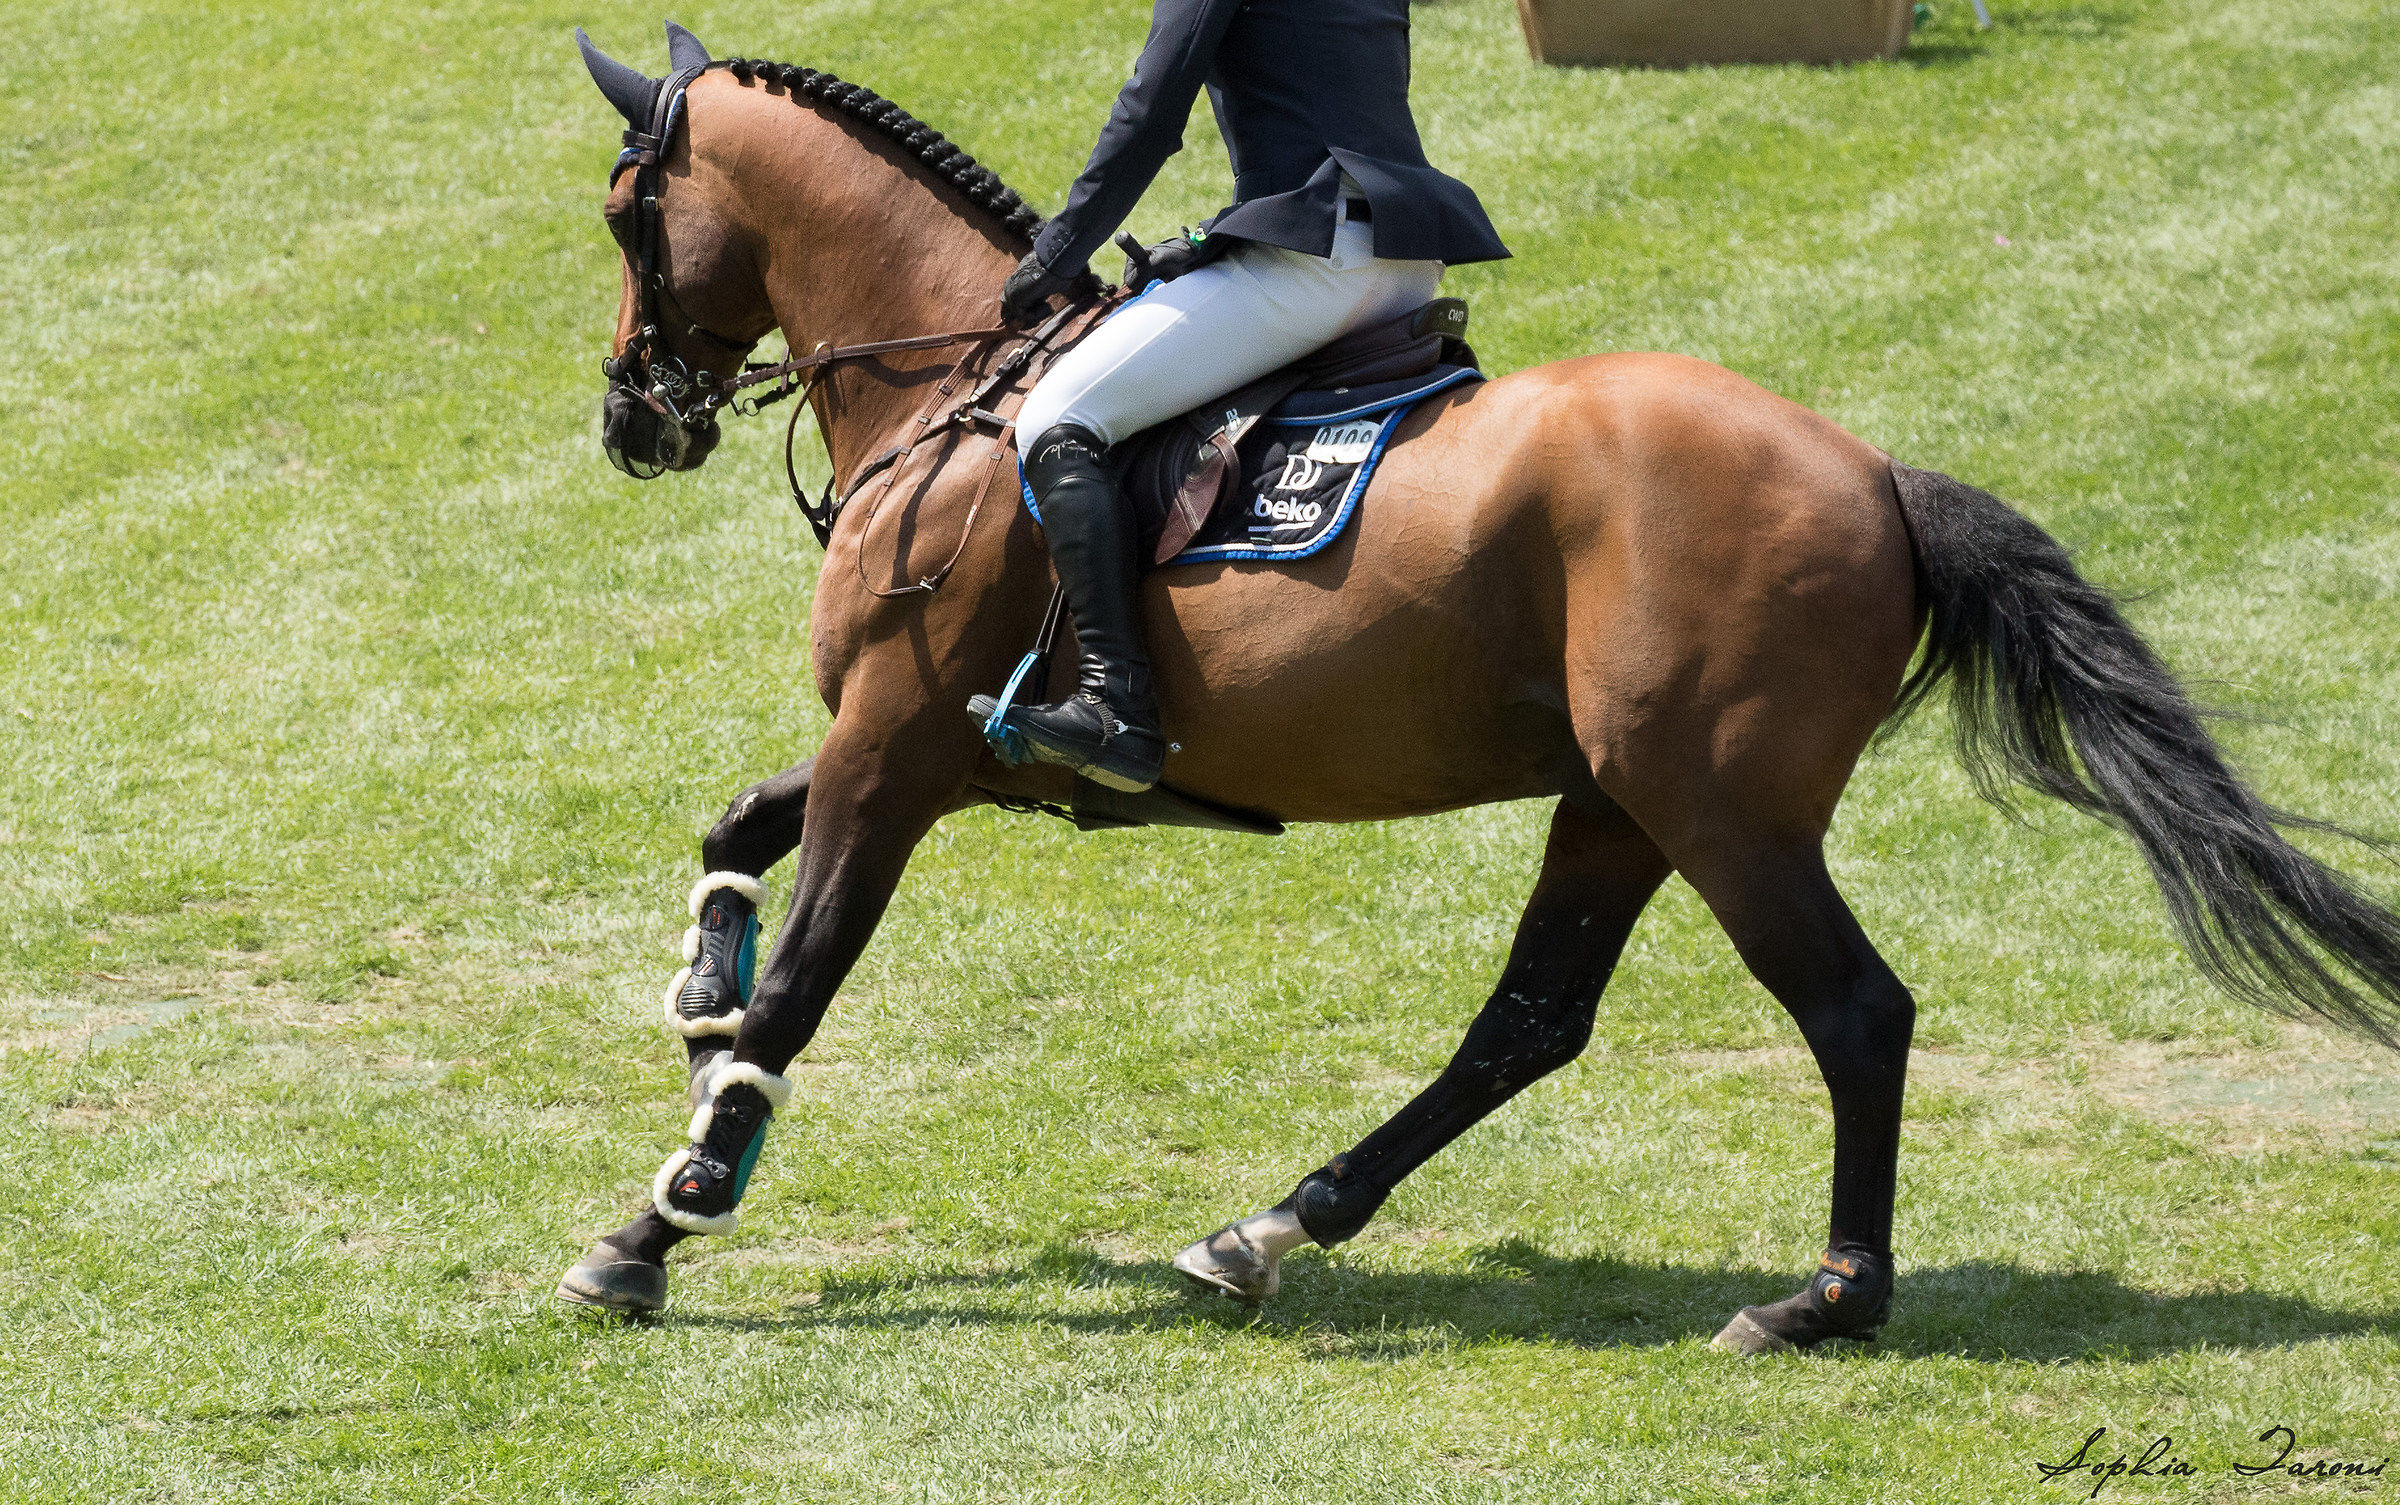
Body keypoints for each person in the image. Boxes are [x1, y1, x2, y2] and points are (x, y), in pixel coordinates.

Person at [972, 0, 1510, 793]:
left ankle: (1115, 707)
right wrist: (1207, 239)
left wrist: (1054, 255)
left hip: (1320, 264)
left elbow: (1151, 112)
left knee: (1058, 417)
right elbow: (1329, 101)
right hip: (1405, 254)